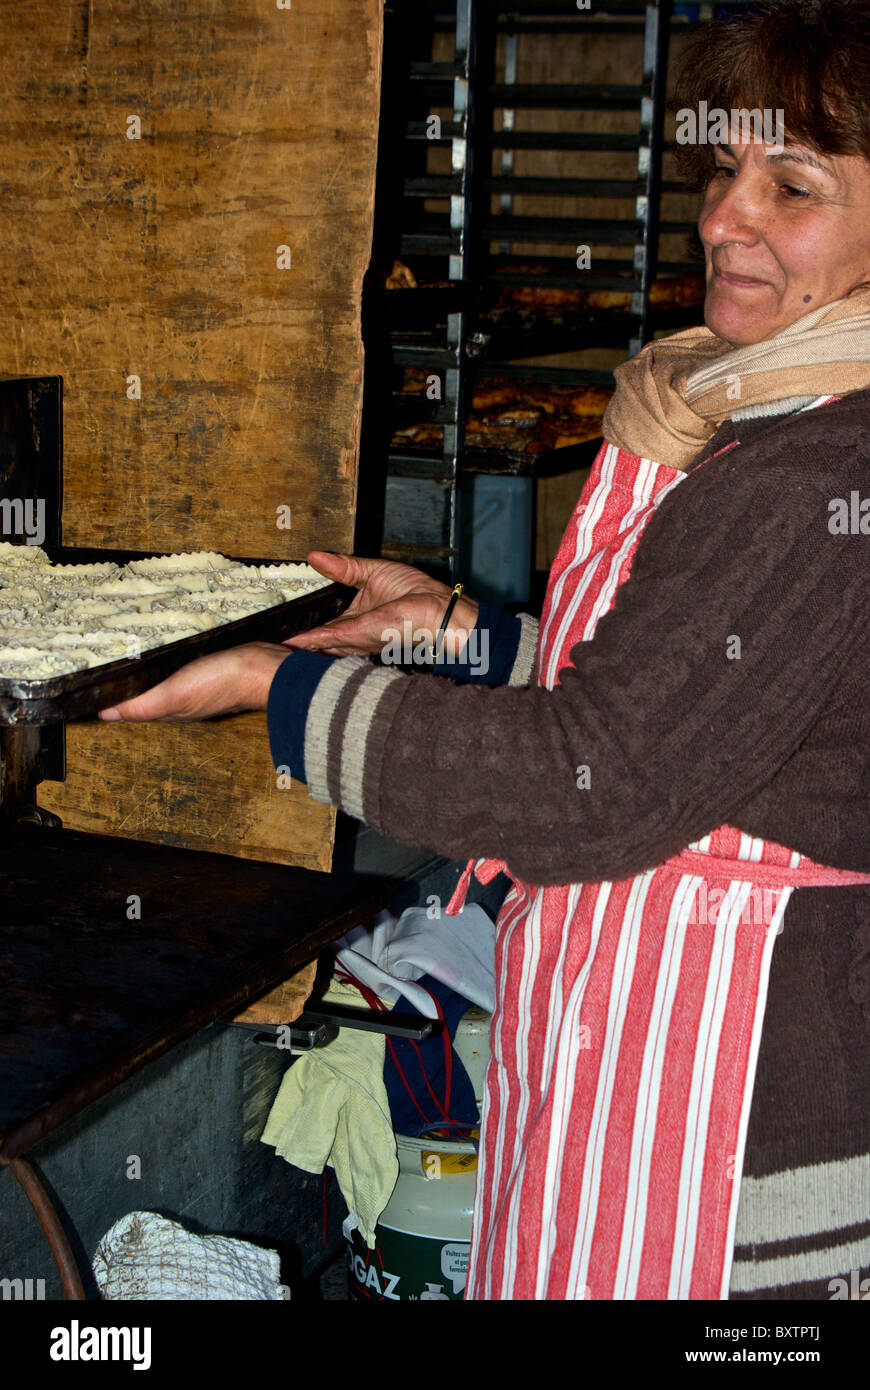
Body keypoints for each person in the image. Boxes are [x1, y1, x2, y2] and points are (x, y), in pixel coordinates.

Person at [100, 0, 870, 1300]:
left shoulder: (812, 471)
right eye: (721, 169)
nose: (724, 217)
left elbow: (600, 783)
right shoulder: (766, 410)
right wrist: (464, 635)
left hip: (723, 1128)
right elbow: (721, 713)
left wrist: (279, 689)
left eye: (789, 186)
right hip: (667, 1057)